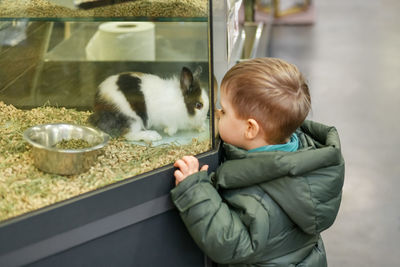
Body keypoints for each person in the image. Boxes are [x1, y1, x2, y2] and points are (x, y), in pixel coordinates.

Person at [171, 57, 345, 267]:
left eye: (224, 111)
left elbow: (230, 244)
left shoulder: (264, 197)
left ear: (250, 129)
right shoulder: (300, 149)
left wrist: (194, 191)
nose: (216, 113)